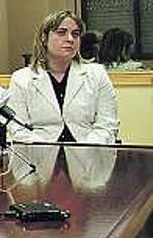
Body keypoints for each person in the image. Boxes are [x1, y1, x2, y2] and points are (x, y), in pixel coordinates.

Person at [7, 10, 118, 144]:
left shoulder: (97, 74)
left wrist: (86, 151)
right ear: (44, 38)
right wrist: (47, 152)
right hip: (39, 157)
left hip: (88, 155)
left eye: (75, 34)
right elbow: (17, 128)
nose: (70, 39)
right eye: (61, 33)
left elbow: (107, 124)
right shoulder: (21, 79)